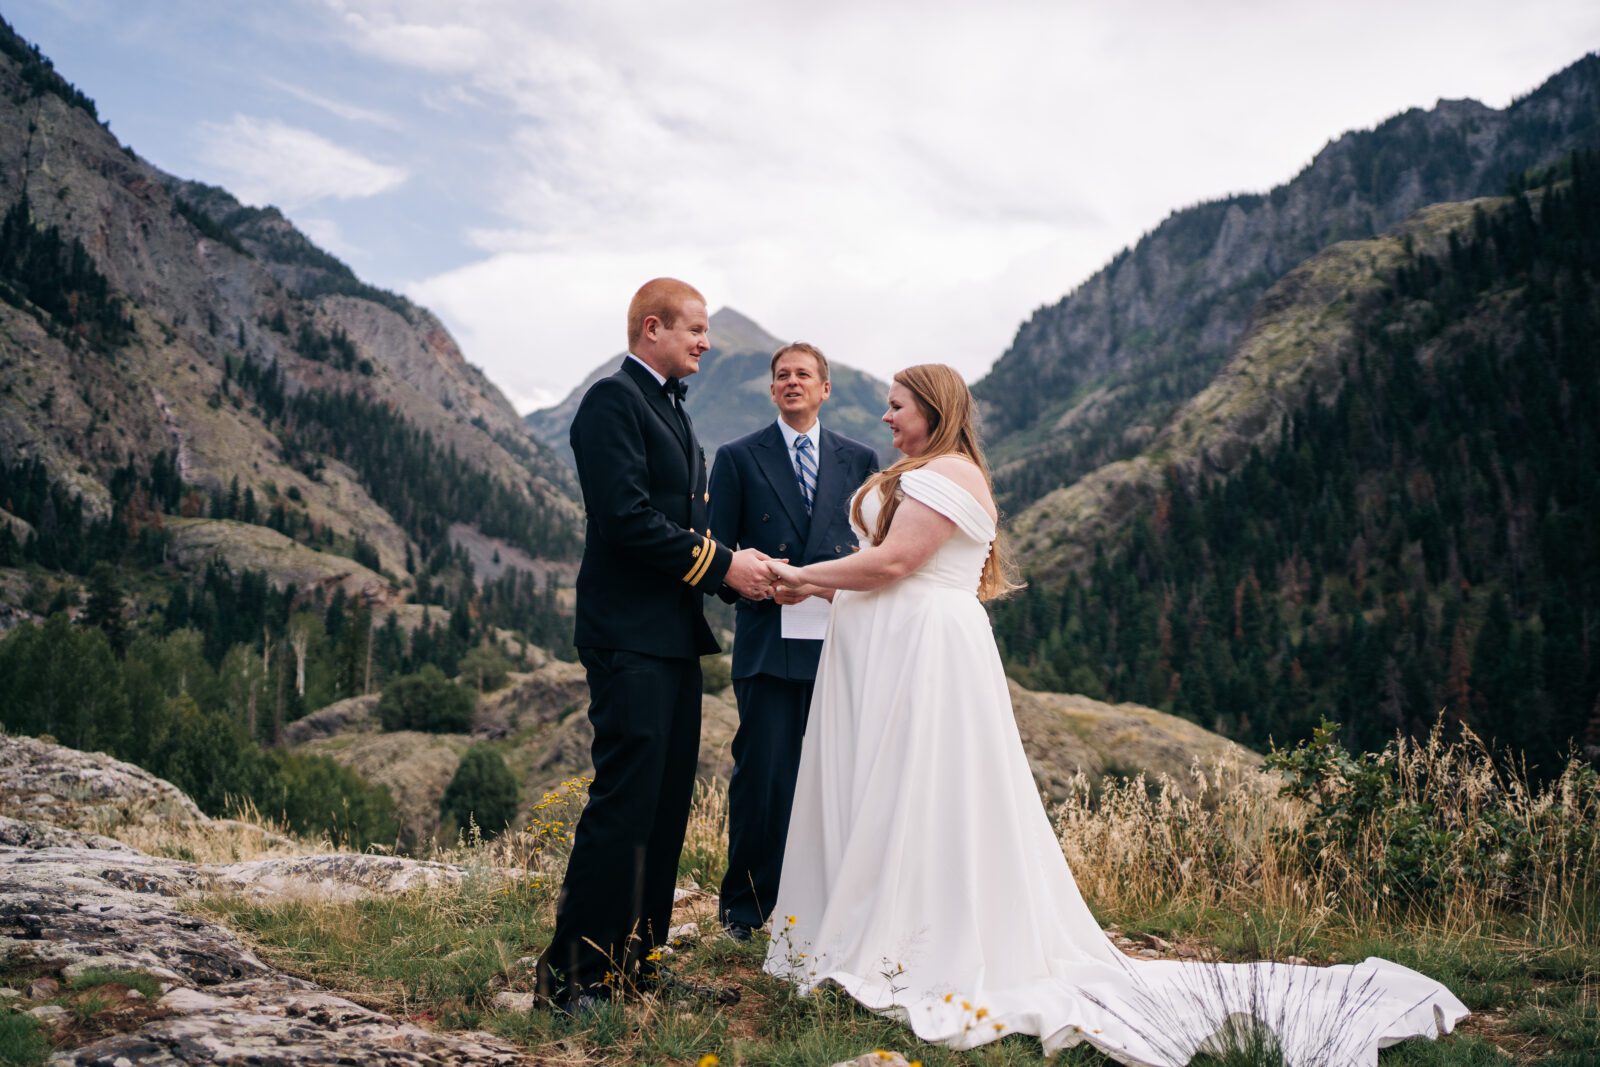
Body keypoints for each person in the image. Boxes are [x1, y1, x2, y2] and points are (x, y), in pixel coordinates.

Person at [761, 364, 1468, 1065]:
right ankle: (875, 925)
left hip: (921, 651)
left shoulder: (946, 474)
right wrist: (819, 592)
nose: (886, 418)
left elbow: (893, 564)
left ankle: (912, 938)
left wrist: (800, 577)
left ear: (934, 408)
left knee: (920, 790)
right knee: (893, 789)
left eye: (897, 406)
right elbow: (882, 566)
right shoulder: (927, 470)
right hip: (892, 648)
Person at [534, 278, 773, 1013]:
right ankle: (575, 978)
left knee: (665, 809)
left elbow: (683, 532)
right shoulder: (614, 402)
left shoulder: (668, 408)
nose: (706, 341)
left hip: (669, 639)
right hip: (627, 638)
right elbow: (628, 519)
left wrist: (745, 577)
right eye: (694, 329)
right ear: (651, 328)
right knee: (624, 805)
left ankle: (639, 964)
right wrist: (723, 565)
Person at [707, 342, 880, 941]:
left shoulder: (861, 460)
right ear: (772, 389)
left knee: (839, 777)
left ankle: (832, 908)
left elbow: (874, 551)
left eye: (804, 374)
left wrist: (824, 587)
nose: (792, 382)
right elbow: (717, 554)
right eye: (782, 376)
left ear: (825, 389)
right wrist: (755, 584)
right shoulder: (735, 458)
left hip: (841, 641)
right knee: (764, 777)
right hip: (767, 643)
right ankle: (748, 912)